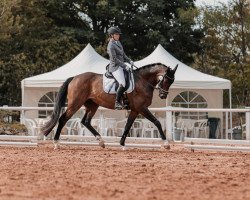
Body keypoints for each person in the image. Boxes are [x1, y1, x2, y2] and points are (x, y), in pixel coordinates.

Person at [107, 26, 134, 110]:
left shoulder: (118, 42)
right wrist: (125, 66)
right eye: (116, 34)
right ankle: (117, 102)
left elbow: (123, 54)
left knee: (130, 78)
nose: (118, 36)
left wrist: (129, 61)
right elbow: (114, 59)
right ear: (112, 35)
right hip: (115, 67)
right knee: (122, 83)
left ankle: (126, 100)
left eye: (118, 34)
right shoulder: (110, 45)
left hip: (122, 65)